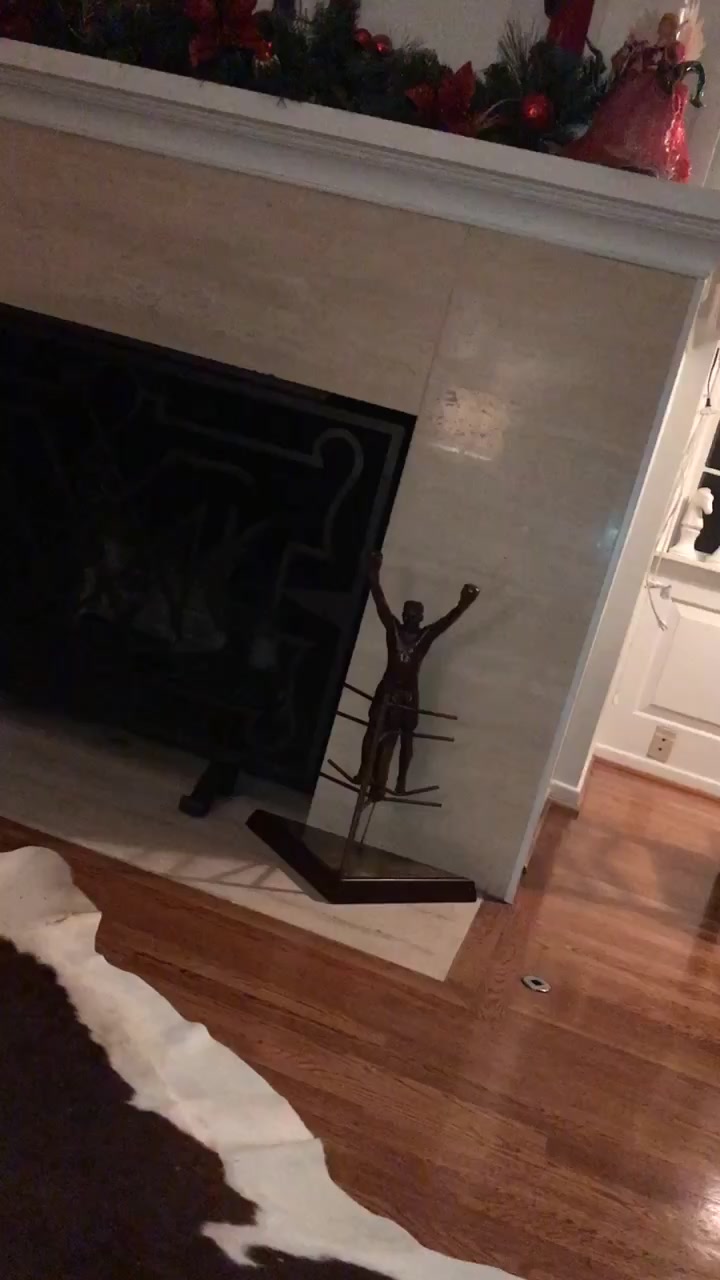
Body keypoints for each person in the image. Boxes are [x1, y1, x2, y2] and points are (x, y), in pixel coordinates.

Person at [356, 553, 479, 798]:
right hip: (388, 688)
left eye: (415, 615)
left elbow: (446, 622)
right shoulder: (393, 629)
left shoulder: (424, 637)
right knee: (372, 730)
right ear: (403, 614)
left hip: (409, 694)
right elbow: (380, 602)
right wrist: (373, 575)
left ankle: (400, 781)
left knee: (406, 738)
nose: (411, 618)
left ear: (421, 618)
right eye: (408, 614)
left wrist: (464, 604)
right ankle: (364, 772)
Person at [563, 12, 704, 182]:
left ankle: (643, 159)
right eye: (663, 24)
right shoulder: (647, 46)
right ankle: (623, 154)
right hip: (638, 85)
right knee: (624, 116)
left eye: (669, 25)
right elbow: (629, 60)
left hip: (657, 93)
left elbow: (675, 67)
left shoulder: (673, 48)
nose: (664, 28)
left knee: (650, 125)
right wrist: (630, 58)